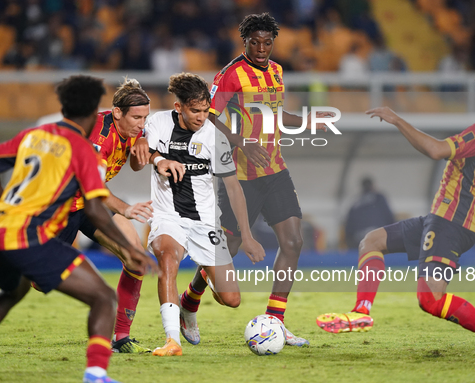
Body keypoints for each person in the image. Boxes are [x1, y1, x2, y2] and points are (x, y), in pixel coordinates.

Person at [0, 75, 157, 383]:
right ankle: (95, 375)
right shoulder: (86, 147)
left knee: (14, 293)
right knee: (96, 296)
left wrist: (5, 205)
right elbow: (96, 204)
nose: (141, 122)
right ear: (102, 111)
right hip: (50, 221)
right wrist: (125, 213)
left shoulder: (34, 134)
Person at [317, 67, 475, 364]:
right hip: (444, 217)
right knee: (372, 241)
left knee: (431, 300)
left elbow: (436, 150)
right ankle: (361, 312)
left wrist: (396, 119)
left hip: (453, 220)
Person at [178, 12, 320, 347]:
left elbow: (274, 113)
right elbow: (207, 118)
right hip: (239, 176)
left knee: (293, 242)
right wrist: (241, 142)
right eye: (254, 42)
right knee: (229, 249)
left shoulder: (277, 71)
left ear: (273, 42)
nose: (261, 47)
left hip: (275, 170)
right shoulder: (230, 75)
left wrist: (307, 122)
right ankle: (189, 301)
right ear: (244, 41)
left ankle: (275, 320)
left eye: (267, 42)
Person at [0, 78, 155, 354]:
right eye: (136, 117)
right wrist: (125, 208)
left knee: (135, 256)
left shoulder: (136, 130)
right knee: (42, 284)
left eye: (145, 117)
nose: (141, 123)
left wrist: (141, 148)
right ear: (116, 113)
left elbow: (136, 165)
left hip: (91, 206)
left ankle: (121, 337)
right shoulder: (96, 138)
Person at [144, 73, 265, 356]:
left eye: (205, 110)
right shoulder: (158, 123)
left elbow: (233, 188)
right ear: (179, 108)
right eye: (195, 111)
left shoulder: (215, 137)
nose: (201, 117)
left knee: (230, 299)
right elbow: (144, 151)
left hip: (205, 220)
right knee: (168, 256)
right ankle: (172, 340)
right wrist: (159, 160)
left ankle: (189, 302)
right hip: (168, 215)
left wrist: (247, 236)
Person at [344, 177, 395, 249]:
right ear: (372, 185)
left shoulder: (355, 202)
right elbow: (390, 218)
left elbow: (348, 227)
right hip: (378, 239)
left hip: (359, 242)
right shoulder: (380, 198)